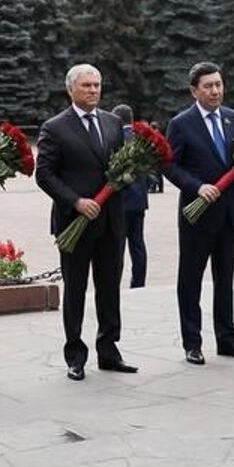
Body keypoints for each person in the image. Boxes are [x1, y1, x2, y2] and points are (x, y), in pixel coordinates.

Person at [35, 64, 135, 380]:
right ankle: (75, 355)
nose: (93, 90)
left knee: (109, 290)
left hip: (111, 224)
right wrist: (76, 201)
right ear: (71, 90)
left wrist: (130, 176)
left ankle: (109, 351)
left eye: (97, 85)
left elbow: (123, 165)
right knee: (76, 290)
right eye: (87, 86)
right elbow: (45, 175)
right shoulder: (55, 127)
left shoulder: (113, 122)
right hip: (74, 224)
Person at [163, 61, 234, 364]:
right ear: (194, 91)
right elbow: (168, 165)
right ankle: (192, 342)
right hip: (197, 214)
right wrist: (196, 186)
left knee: (225, 279)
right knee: (190, 279)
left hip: (229, 212)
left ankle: (227, 339)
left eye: (218, 84)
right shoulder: (181, 123)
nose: (216, 90)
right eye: (208, 86)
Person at [112, 103, 151, 288]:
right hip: (139, 201)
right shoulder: (141, 139)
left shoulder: (115, 139)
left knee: (117, 245)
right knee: (137, 243)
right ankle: (139, 281)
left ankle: (114, 281)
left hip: (120, 202)